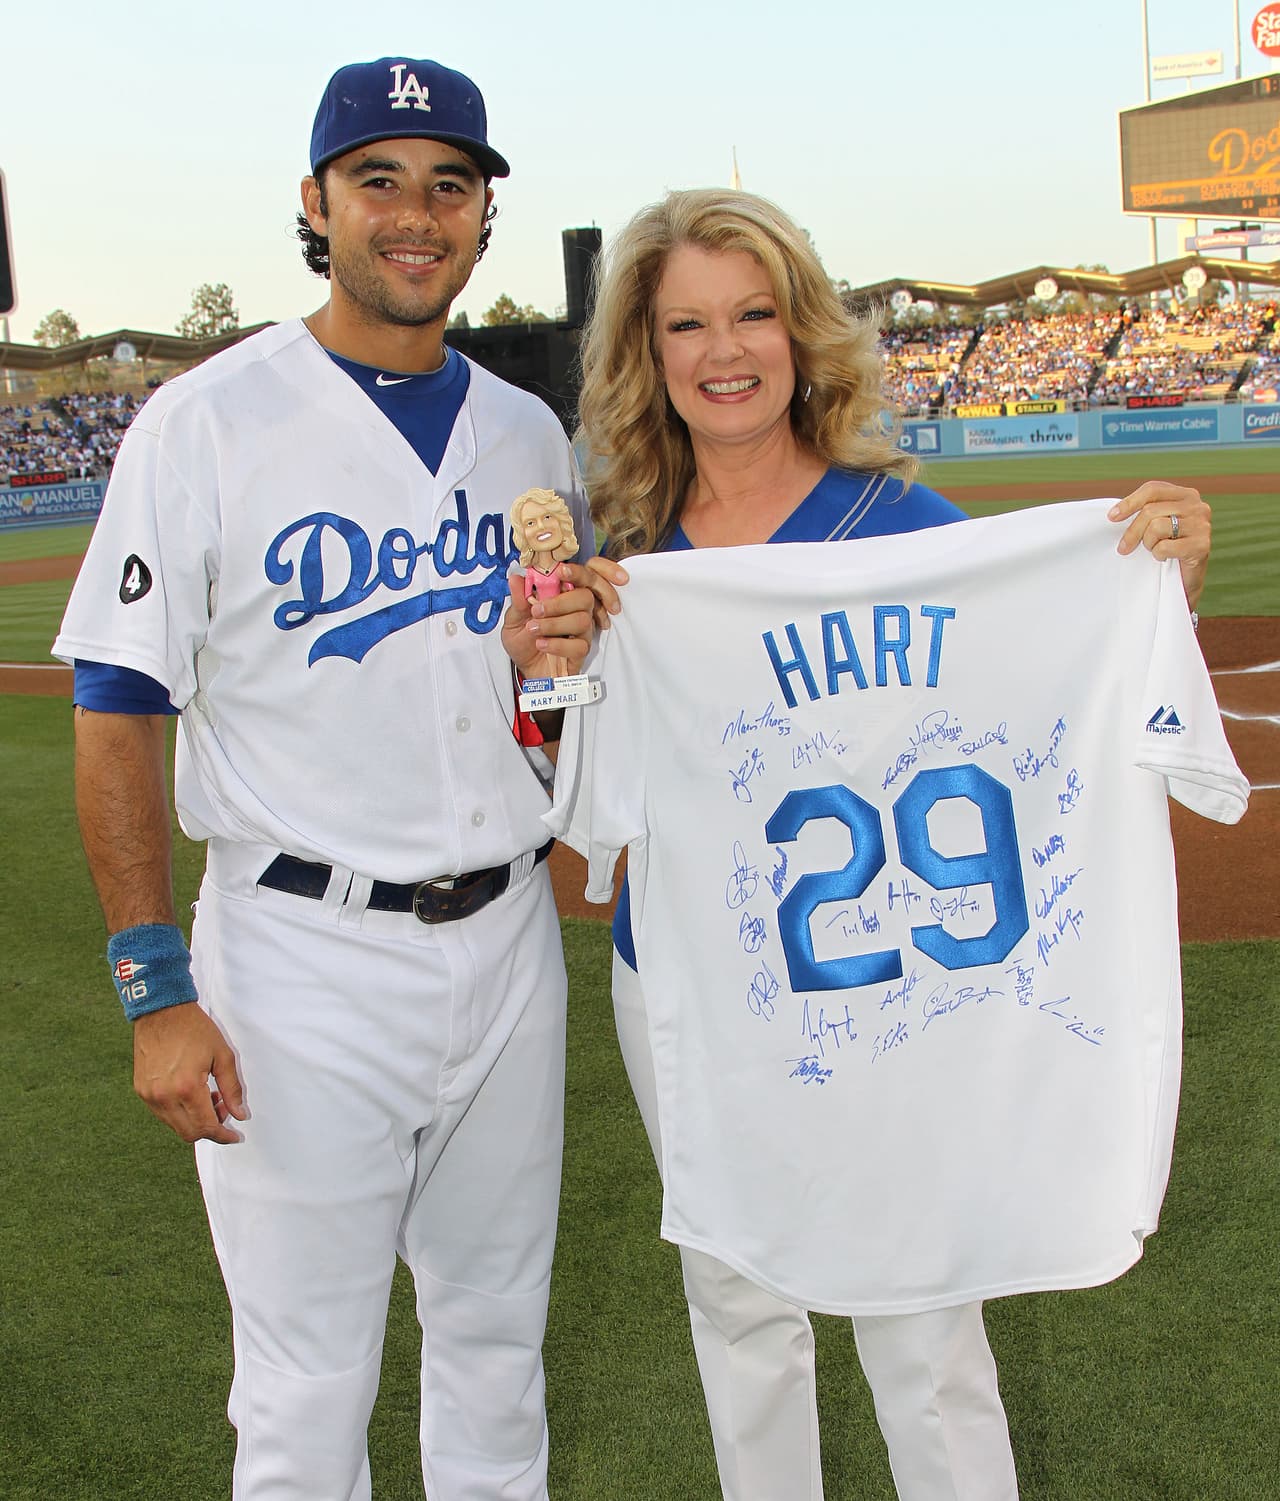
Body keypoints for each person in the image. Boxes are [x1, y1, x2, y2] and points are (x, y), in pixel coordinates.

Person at [572, 187, 1212, 1501]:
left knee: (922, 1313)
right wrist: (551, 667)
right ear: (650, 350)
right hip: (695, 976)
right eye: (687, 322)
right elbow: (564, 789)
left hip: (898, 975)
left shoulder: (910, 531)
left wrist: (1153, 579)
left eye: (754, 313)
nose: (724, 349)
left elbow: (1033, 709)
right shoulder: (624, 567)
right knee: (737, 1294)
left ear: (802, 333)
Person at [53, 56, 617, 1501]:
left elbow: (546, 717)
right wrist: (149, 981)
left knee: (498, 1347)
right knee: (307, 1391)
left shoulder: (524, 433)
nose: (415, 214)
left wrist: (557, 664)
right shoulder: (207, 420)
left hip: (505, 943)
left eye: (450, 183)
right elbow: (119, 707)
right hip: (298, 958)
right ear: (316, 203)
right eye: (379, 179)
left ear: (487, 213)